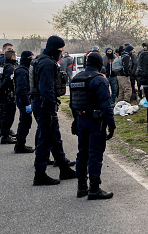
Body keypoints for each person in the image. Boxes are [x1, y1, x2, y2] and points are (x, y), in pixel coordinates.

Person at [70, 52, 116, 199]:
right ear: (99, 64)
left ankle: (81, 187)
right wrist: (111, 125)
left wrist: (75, 120)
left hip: (81, 120)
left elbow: (72, 104)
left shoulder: (76, 79)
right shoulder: (99, 80)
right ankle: (94, 188)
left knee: (82, 154)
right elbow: (106, 106)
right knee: (95, 155)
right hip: (96, 122)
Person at [32, 35, 76, 186]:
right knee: (45, 139)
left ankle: (63, 168)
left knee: (55, 138)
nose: (61, 53)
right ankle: (40, 174)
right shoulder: (46, 63)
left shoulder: (43, 60)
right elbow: (47, 90)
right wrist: (51, 112)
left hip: (43, 104)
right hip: (45, 105)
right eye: (60, 50)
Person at [0, 49, 18, 144]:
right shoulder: (11, 67)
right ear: (12, 57)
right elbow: (7, 82)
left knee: (4, 114)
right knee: (8, 116)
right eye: (15, 56)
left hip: (2, 94)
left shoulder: (2, 66)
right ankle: (5, 136)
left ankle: (5, 133)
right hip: (8, 94)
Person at [14, 50, 35, 153]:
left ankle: (20, 144)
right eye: (31, 57)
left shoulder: (23, 69)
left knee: (25, 122)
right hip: (23, 100)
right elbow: (22, 89)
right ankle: (20, 145)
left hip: (23, 99)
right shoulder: (22, 71)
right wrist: (27, 104)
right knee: (25, 122)